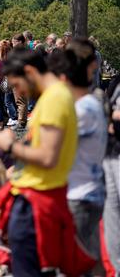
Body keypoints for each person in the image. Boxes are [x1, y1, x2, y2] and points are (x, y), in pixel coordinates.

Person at [0, 48, 93, 276]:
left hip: (35, 204)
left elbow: (47, 156)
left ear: (30, 71)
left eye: (17, 84)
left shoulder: (54, 99)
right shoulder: (56, 97)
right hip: (38, 199)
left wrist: (9, 145)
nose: (19, 91)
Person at [50, 39, 107, 262]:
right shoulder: (92, 104)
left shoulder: (81, 109)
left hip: (79, 196)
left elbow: (51, 153)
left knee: (76, 262)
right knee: (90, 261)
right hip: (89, 193)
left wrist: (12, 146)